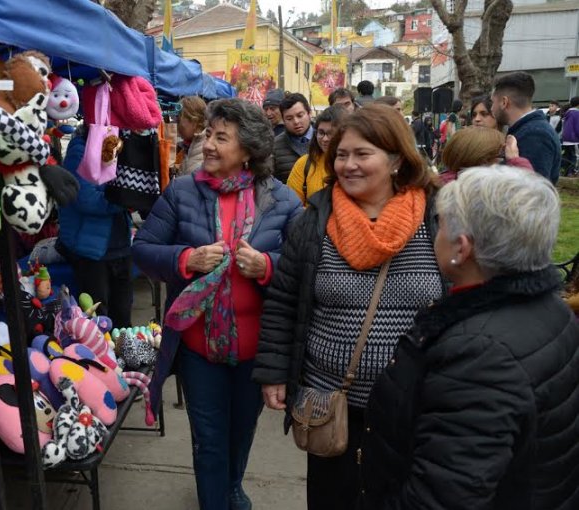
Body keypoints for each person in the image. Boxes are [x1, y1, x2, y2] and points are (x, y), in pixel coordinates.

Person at [254, 104, 444, 510]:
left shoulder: (436, 216)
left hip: (414, 407)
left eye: (362, 154)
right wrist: (274, 374)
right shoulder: (315, 221)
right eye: (341, 155)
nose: (348, 165)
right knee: (333, 499)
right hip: (329, 403)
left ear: (396, 159)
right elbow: (285, 301)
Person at [360, 166, 579, 508]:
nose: (436, 230)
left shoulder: (478, 355)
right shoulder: (552, 311)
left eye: (442, 223)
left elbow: (442, 495)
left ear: (461, 249)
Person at [133, 98, 302, 510]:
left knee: (241, 431)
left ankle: (231, 485)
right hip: (197, 348)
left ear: (247, 150)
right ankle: (216, 499)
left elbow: (305, 270)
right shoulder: (181, 192)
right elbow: (141, 249)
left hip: (257, 352)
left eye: (220, 137)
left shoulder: (282, 202)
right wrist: (184, 259)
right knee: (208, 439)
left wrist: (265, 266)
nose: (208, 144)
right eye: (208, 134)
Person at [56, 124, 133, 327]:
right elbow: (86, 199)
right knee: (99, 322)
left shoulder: (117, 145)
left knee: (123, 319)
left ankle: (126, 357)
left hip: (119, 246)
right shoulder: (80, 150)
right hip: (92, 251)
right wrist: (126, 200)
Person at [491, 72, 561, 183]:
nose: (492, 108)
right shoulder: (529, 130)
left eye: (492, 102)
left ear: (504, 102)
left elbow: (533, 191)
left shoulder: (535, 135)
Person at [286, 105, 348, 204]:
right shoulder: (304, 164)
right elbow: (292, 206)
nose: (325, 139)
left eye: (331, 133)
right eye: (321, 133)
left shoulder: (353, 166)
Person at [439, 126, 533, 183]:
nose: (502, 162)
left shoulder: (445, 186)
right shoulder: (481, 194)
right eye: (501, 155)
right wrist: (516, 160)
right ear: (484, 160)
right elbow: (531, 195)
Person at [272, 93, 313, 183]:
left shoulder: (324, 140)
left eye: (300, 115)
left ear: (309, 113)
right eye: (289, 118)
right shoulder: (275, 146)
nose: (296, 122)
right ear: (283, 120)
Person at [174, 96, 207, 176]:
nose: (177, 125)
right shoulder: (188, 147)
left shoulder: (206, 150)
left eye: (178, 120)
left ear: (194, 121)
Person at [561, 96, 579, 176]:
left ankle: (564, 171)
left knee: (566, 156)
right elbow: (577, 127)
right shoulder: (577, 113)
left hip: (565, 140)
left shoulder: (567, 113)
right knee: (575, 156)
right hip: (574, 139)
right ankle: (572, 172)